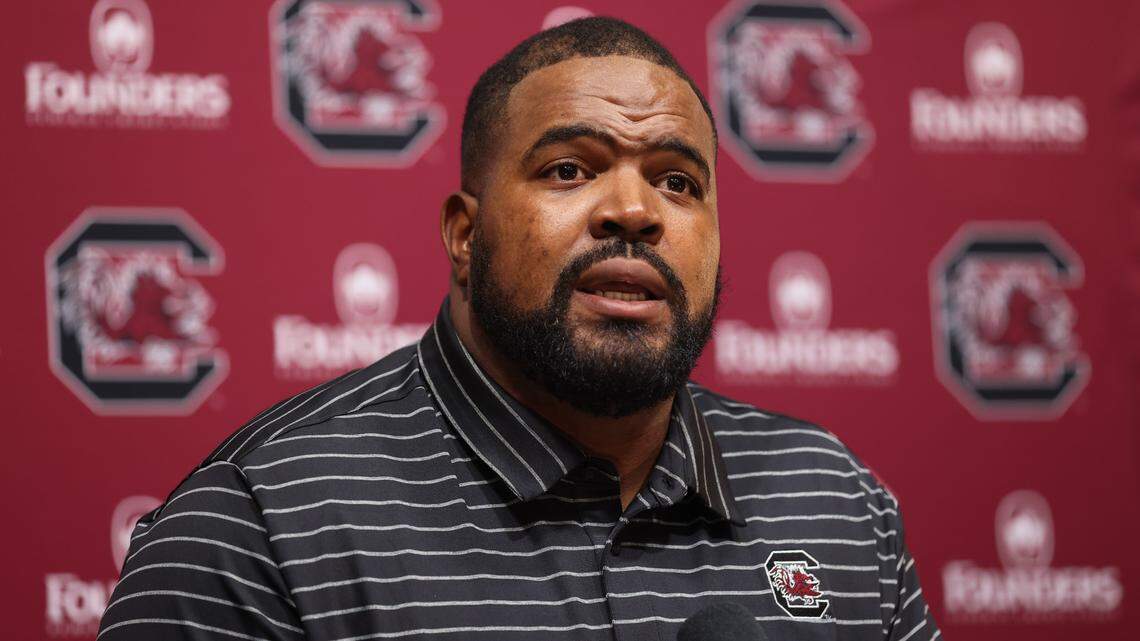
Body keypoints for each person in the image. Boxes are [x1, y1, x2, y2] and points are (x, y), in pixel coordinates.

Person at [98, 17, 940, 641]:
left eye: (679, 182)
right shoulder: (264, 523)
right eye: (570, 169)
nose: (634, 212)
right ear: (465, 235)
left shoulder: (836, 499)